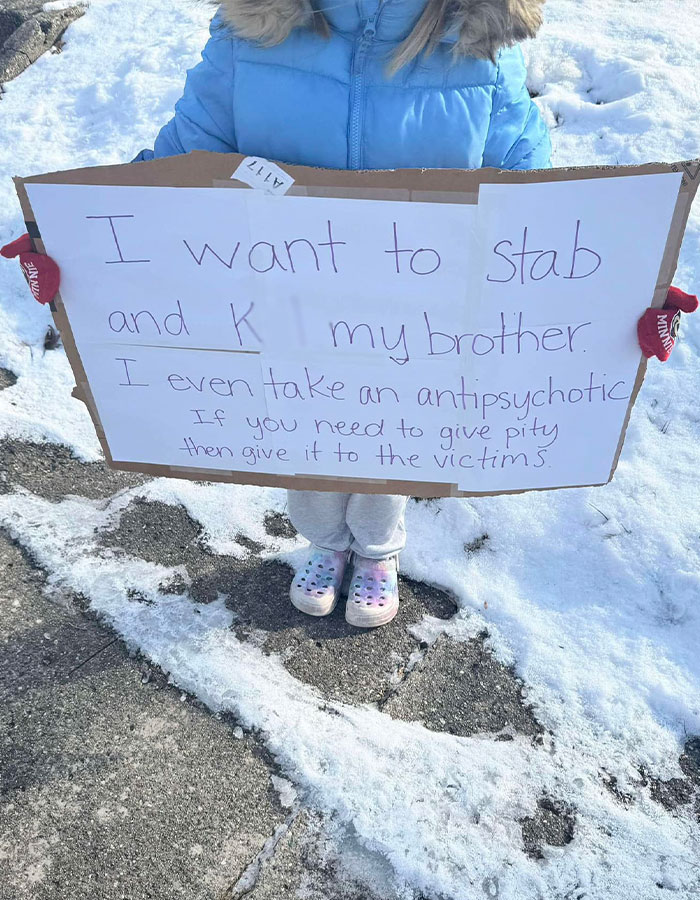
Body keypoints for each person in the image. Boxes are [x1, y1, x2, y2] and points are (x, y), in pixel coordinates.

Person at [3, 0, 697, 629]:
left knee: (388, 445)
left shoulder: (480, 40)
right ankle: (325, 545)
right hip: (282, 309)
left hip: (420, 323)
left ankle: (378, 553)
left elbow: (534, 189)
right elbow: (187, 149)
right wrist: (80, 244)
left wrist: (615, 289)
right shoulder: (253, 28)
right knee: (304, 443)